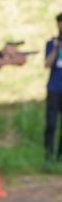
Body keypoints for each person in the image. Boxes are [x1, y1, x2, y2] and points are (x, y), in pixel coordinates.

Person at [44, 13, 62, 162]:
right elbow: (47, 64)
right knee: (51, 123)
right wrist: (56, 48)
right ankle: (48, 154)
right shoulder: (52, 43)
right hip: (54, 88)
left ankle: (60, 156)